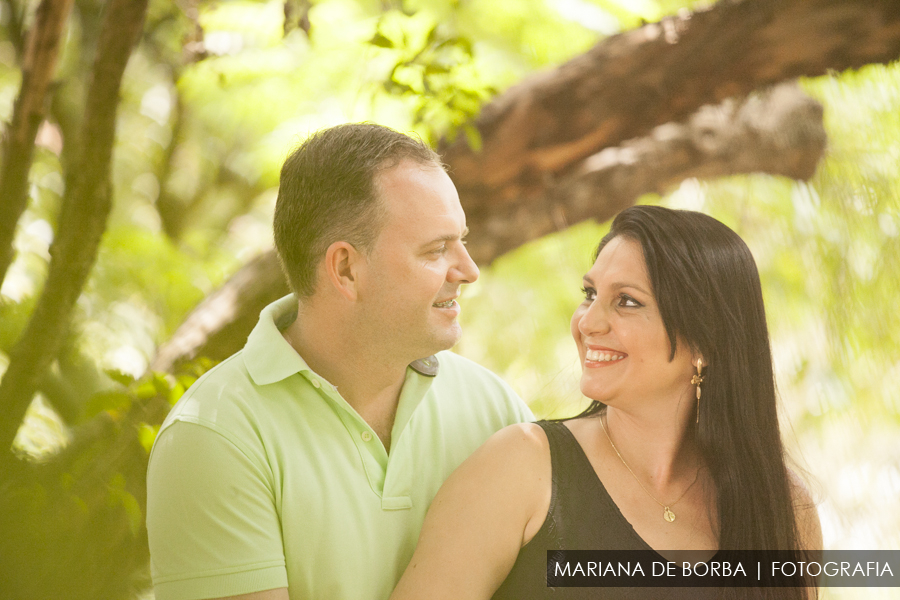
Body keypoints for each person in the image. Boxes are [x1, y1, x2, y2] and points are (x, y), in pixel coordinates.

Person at [145, 123, 534, 600]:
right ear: (347, 269)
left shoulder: (495, 411)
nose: (469, 271)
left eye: (463, 241)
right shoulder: (215, 437)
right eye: (437, 249)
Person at [391, 205, 822, 600]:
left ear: (704, 341)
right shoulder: (521, 468)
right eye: (590, 294)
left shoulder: (783, 509)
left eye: (628, 302)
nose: (588, 322)